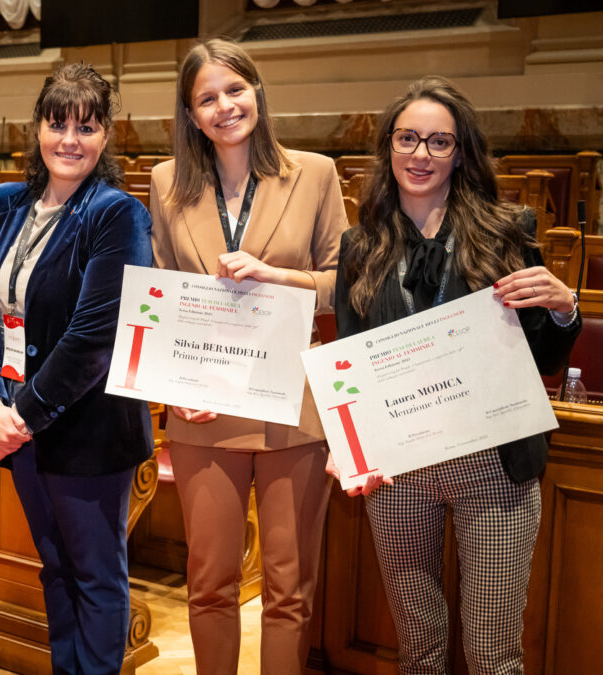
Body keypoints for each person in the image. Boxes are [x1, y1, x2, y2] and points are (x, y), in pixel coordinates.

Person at [330, 76, 581, 673]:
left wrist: (564, 306)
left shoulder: (506, 230)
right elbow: (348, 357)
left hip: (493, 464)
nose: (421, 154)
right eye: (408, 138)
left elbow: (542, 360)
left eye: (439, 142)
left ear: (460, 152)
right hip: (399, 472)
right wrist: (349, 447)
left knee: (494, 654)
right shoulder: (360, 245)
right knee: (418, 649)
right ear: (388, 147)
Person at [147, 38, 347, 674]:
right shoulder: (167, 182)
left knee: (289, 590)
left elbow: (346, 280)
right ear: (190, 114)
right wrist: (170, 387)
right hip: (204, 407)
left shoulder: (314, 172)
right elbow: (162, 292)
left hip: (294, 405)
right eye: (206, 98)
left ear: (257, 90)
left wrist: (276, 276)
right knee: (209, 585)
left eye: (235, 89)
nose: (224, 106)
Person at [0, 62, 153, 674]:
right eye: (57, 123)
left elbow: (94, 336)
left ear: (105, 138)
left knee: (96, 576)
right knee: (55, 567)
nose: (69, 140)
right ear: (37, 129)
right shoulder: (2, 202)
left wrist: (19, 419)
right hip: (16, 423)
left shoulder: (116, 213)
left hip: (88, 426)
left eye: (87, 127)